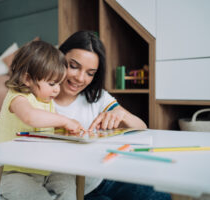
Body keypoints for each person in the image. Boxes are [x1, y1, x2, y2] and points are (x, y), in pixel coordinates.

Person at [53, 30, 172, 200]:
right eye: (73, 66)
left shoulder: (97, 97)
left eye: (90, 73)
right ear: (58, 58)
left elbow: (142, 127)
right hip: (69, 190)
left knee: (158, 196)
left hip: (103, 178)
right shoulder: (40, 100)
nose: (80, 78)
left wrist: (121, 115)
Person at [0, 41, 83, 200]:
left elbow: (49, 130)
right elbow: (30, 117)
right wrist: (64, 120)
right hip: (12, 173)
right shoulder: (17, 97)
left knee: (69, 182)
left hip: (42, 169)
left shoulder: (46, 102)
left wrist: (68, 132)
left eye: (59, 83)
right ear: (27, 79)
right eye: (52, 83)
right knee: (40, 197)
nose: (57, 89)